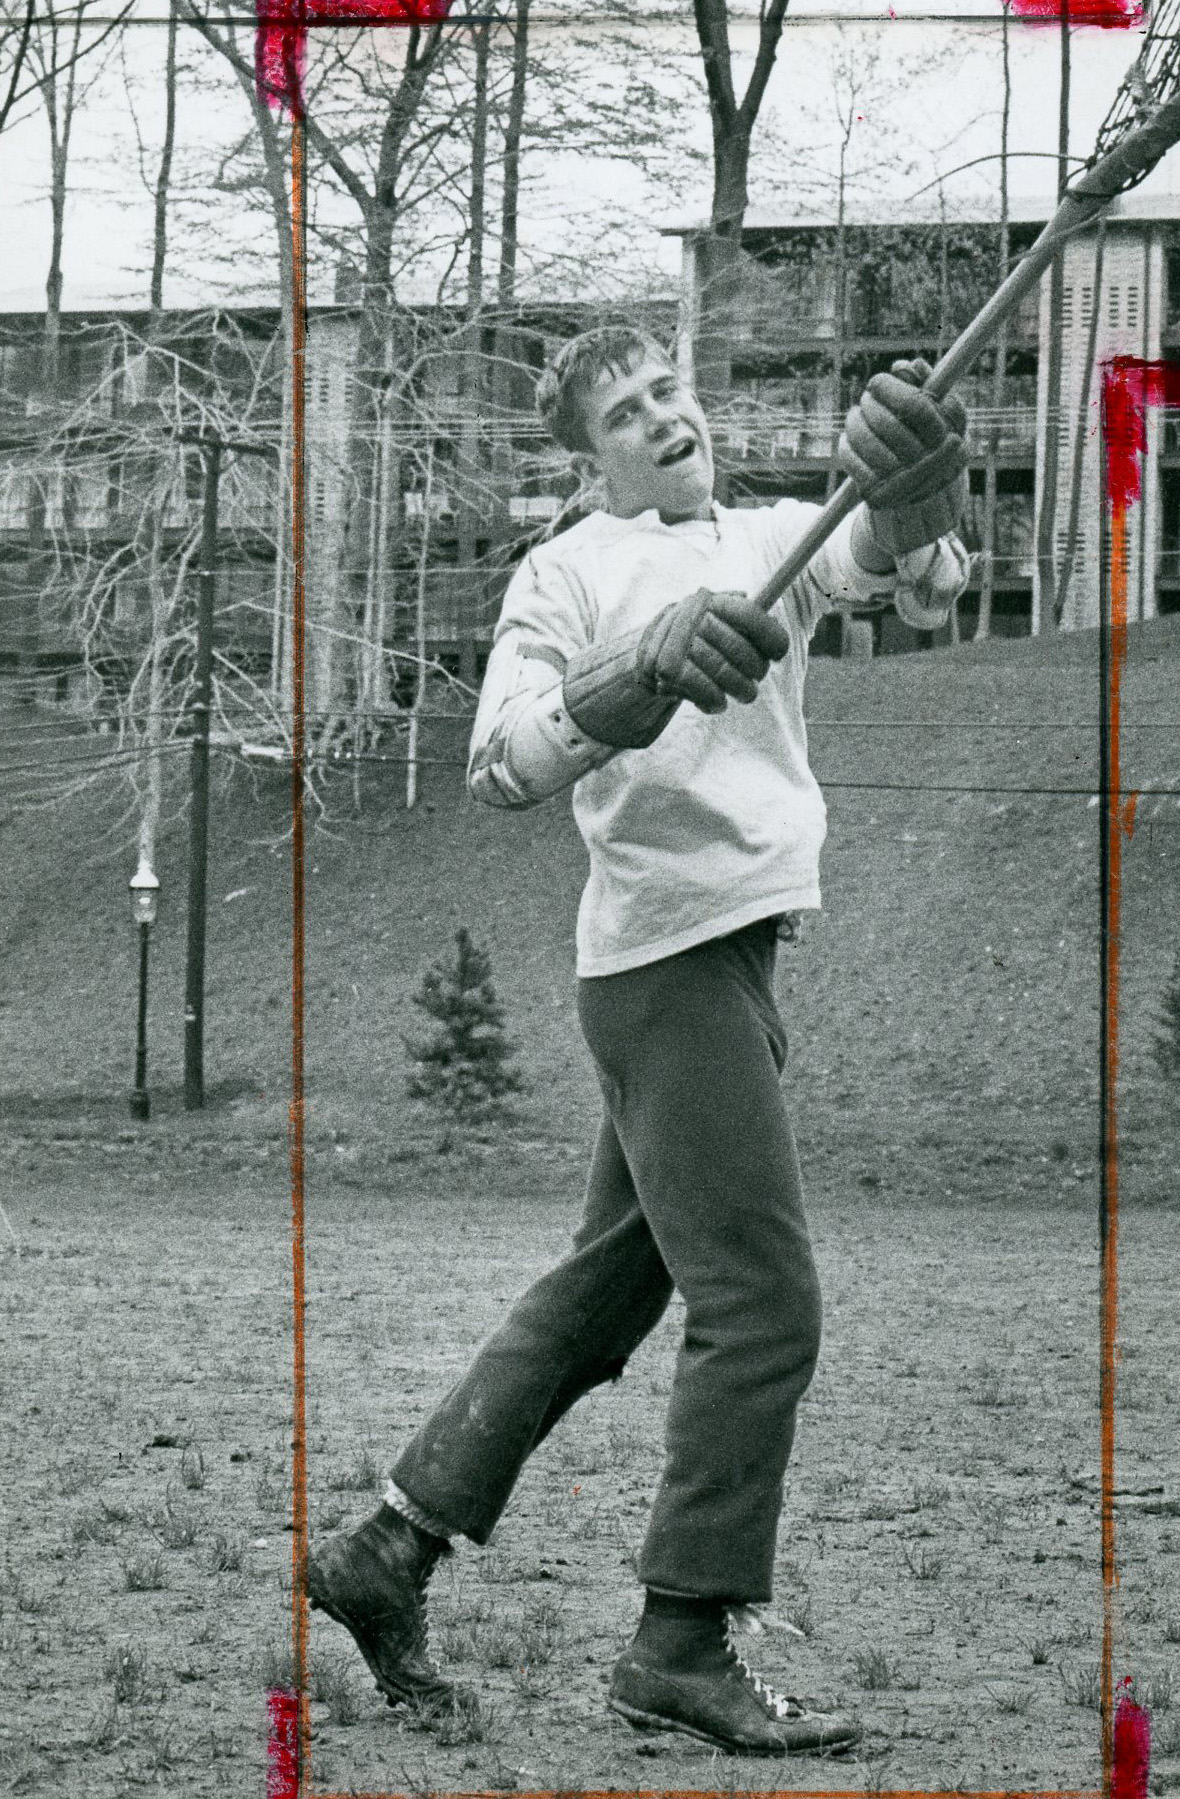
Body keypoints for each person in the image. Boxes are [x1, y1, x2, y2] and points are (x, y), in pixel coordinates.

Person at [308, 325, 970, 1756]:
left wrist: (923, 482)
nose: (660, 419)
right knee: (765, 1306)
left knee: (607, 1296)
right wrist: (639, 670)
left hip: (727, 953)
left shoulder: (778, 534)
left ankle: (387, 1548)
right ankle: (681, 1642)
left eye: (668, 391)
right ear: (587, 457)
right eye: (623, 413)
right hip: (662, 967)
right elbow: (501, 765)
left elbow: (917, 589)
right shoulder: (567, 575)